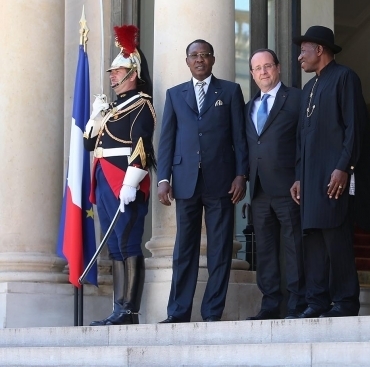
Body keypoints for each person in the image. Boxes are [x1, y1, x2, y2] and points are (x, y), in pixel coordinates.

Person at [156, 39, 248, 323]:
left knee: (220, 249)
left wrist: (241, 175)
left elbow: (240, 138)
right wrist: (163, 178)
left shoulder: (231, 91)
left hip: (221, 181)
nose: (199, 60)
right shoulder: (174, 95)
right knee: (184, 250)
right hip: (185, 181)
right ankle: (178, 312)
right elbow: (167, 139)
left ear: (213, 59)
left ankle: (211, 312)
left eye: (204, 55)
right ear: (187, 61)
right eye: (194, 56)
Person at [85, 25, 156, 325]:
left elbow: (142, 148)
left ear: (133, 73)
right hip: (103, 178)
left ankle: (130, 310)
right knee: (114, 246)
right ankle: (118, 307)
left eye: (118, 71)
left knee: (127, 243)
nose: (112, 76)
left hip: (123, 180)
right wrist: (95, 115)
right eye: (112, 72)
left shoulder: (142, 105)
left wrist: (130, 183)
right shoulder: (113, 109)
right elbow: (90, 143)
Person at [290, 26, 361, 318]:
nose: (299, 58)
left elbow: (353, 129)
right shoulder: (308, 88)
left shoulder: (345, 78)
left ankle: (345, 301)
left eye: (304, 50)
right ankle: (317, 301)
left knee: (335, 238)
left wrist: (343, 168)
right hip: (309, 178)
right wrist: (298, 176)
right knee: (313, 240)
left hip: (334, 176)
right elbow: (301, 137)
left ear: (320, 50)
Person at [244, 48, 306, 320]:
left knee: (294, 248)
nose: (263, 72)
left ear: (278, 68)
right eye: (258, 68)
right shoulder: (249, 107)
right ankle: (269, 306)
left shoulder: (296, 98)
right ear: (252, 74)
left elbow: (305, 141)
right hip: (258, 191)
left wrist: (301, 177)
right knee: (265, 251)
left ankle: (297, 305)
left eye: (268, 66)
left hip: (289, 187)